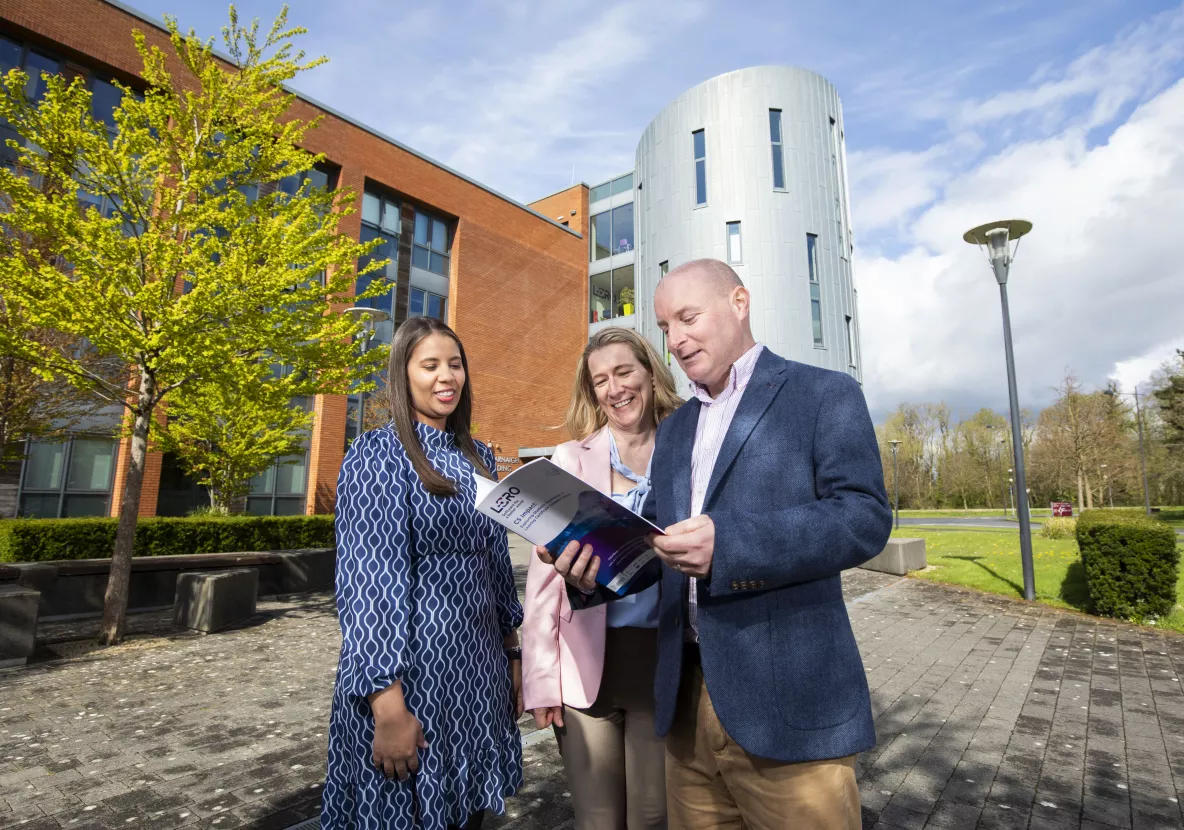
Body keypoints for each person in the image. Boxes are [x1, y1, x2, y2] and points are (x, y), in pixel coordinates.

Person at [540, 260, 893, 830]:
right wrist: (586, 563)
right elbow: (653, 545)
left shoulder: (823, 393)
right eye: (665, 327)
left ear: (739, 302)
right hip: (684, 709)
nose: (675, 340)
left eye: (687, 318)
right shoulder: (677, 429)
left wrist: (729, 545)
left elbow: (864, 518)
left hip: (785, 705)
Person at [323, 316, 524, 830]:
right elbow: (368, 584)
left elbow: (497, 565)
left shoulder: (479, 458)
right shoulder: (377, 456)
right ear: (402, 374)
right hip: (412, 675)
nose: (446, 377)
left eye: (455, 364)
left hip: (477, 673)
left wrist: (513, 656)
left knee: (470, 817)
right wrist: (386, 704)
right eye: (430, 364)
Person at [522, 327, 681, 830]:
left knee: (653, 818)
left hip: (662, 664)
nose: (614, 388)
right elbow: (542, 592)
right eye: (600, 380)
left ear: (651, 374)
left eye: (624, 372)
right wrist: (540, 683)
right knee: (597, 820)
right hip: (584, 670)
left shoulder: (687, 448)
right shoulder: (570, 460)